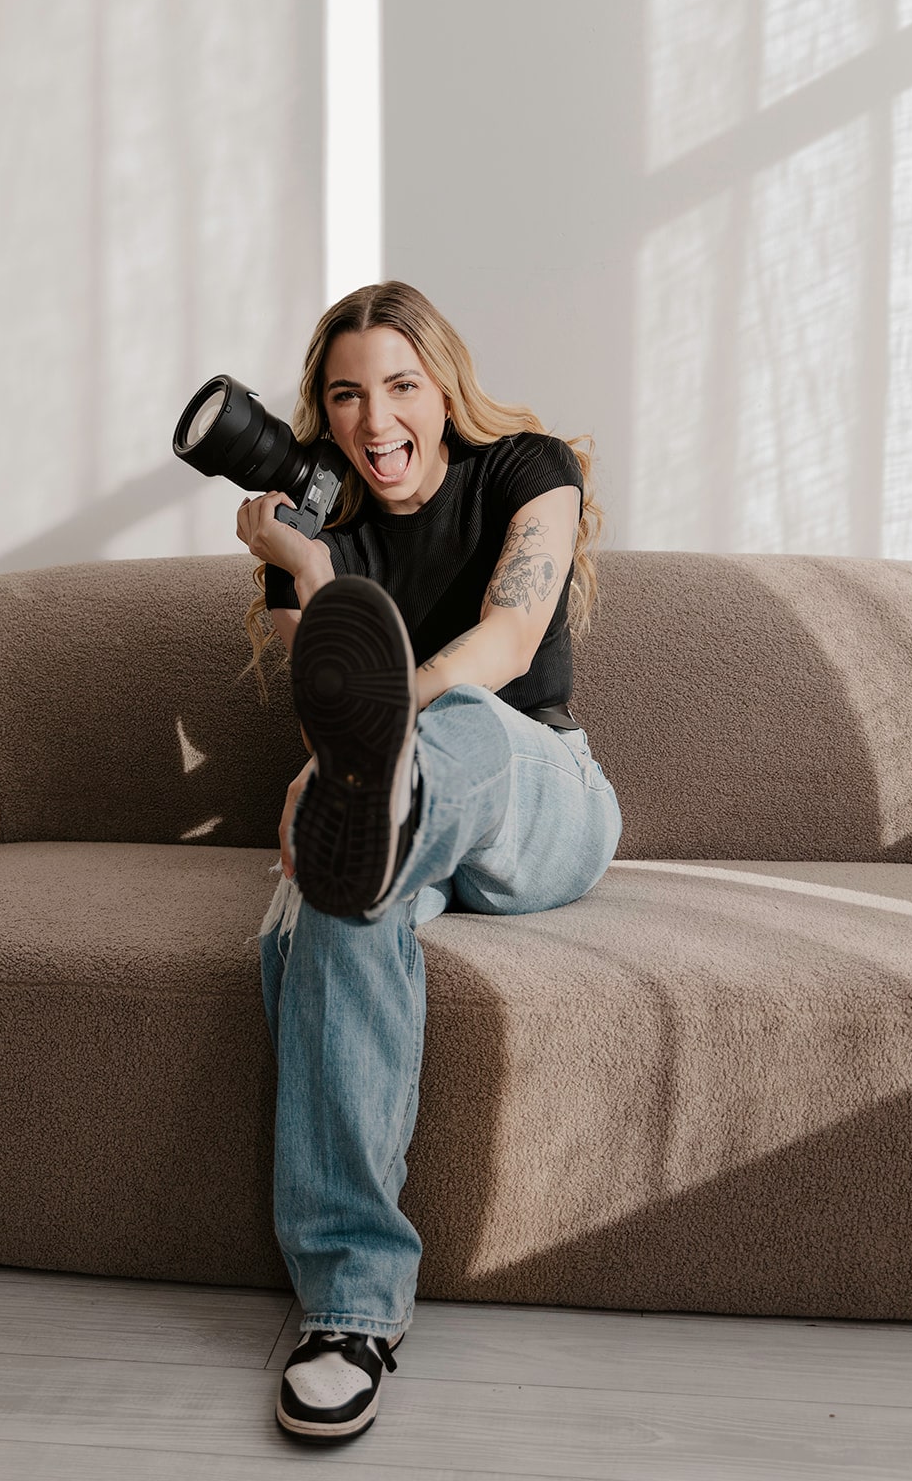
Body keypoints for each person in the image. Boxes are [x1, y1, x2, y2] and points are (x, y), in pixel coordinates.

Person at [234, 280, 622, 1443]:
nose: (373, 416)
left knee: (435, 741)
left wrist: (385, 729)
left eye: (399, 384)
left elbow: (506, 640)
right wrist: (305, 568)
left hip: (535, 791)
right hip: (395, 822)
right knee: (347, 889)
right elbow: (324, 717)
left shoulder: (527, 470)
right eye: (344, 394)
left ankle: (384, 800)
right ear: (324, 414)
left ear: (444, 393)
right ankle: (350, 1310)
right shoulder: (316, 525)